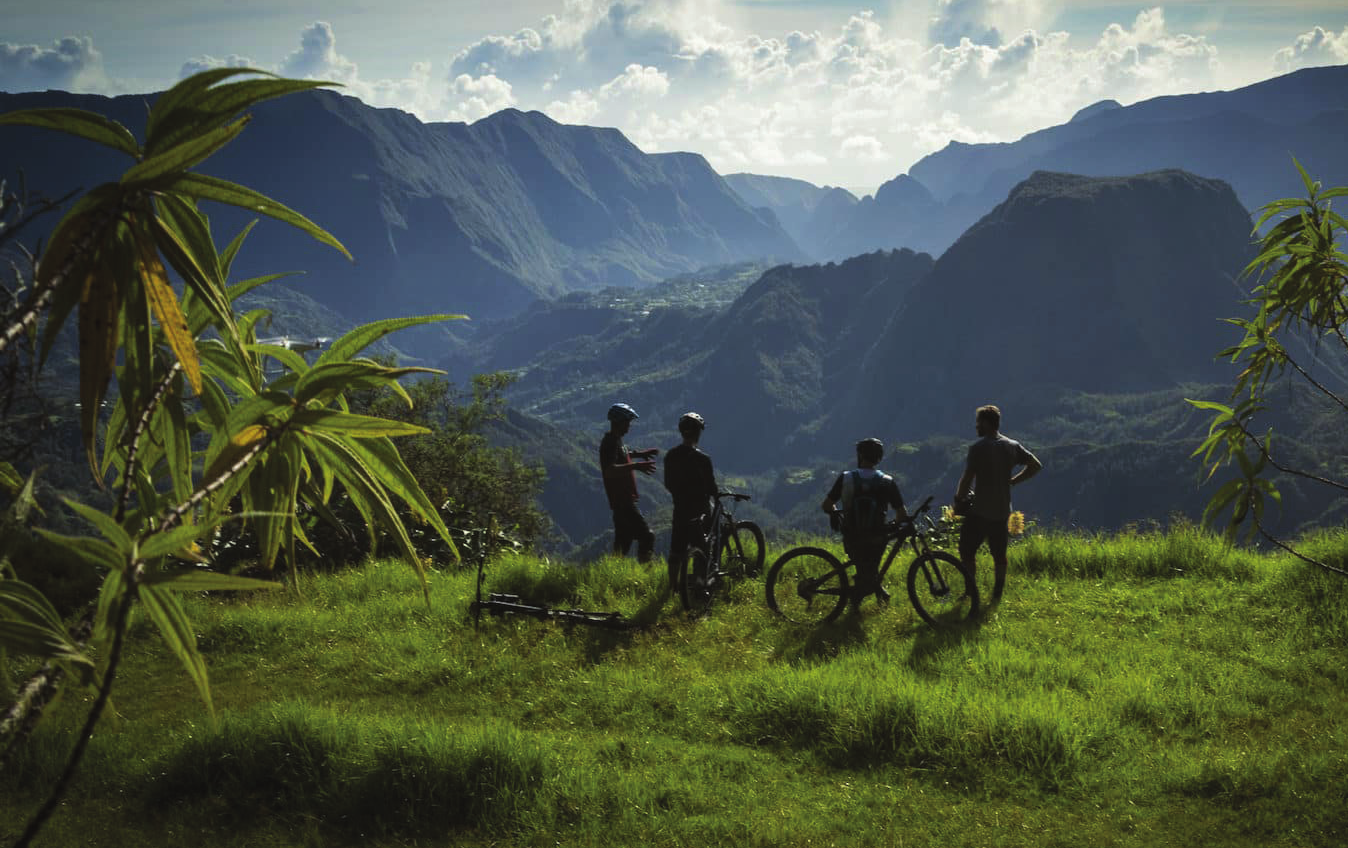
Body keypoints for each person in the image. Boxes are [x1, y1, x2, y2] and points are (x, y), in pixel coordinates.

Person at [954, 404, 1042, 604]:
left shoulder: (978, 448)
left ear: (985, 423)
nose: (976, 426)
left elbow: (968, 477)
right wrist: (1012, 481)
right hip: (1002, 511)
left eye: (978, 422)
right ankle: (997, 594)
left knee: (967, 551)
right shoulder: (1012, 446)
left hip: (978, 511)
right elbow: (1035, 465)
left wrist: (958, 499)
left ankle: (970, 592)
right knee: (999, 555)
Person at [821, 437, 907, 609]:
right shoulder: (887, 481)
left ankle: (861, 599)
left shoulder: (846, 478)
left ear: (860, 455)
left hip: (852, 538)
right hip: (877, 539)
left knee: (862, 567)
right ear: (879, 458)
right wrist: (893, 524)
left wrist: (837, 513)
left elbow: (827, 505)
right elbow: (901, 514)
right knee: (871, 567)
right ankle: (868, 597)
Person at [663, 412, 717, 592]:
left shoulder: (670, 456)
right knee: (702, 549)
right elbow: (711, 488)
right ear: (698, 433)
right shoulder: (703, 459)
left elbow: (668, 483)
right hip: (700, 511)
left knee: (676, 550)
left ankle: (672, 586)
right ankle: (700, 586)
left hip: (680, 509)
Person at [600, 402, 658, 562]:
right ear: (619, 422)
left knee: (622, 544)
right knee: (647, 536)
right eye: (628, 422)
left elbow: (622, 454)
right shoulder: (610, 442)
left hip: (623, 500)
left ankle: (610, 575)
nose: (629, 426)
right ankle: (646, 573)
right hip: (622, 501)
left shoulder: (616, 440)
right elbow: (609, 470)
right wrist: (637, 466)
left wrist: (640, 454)